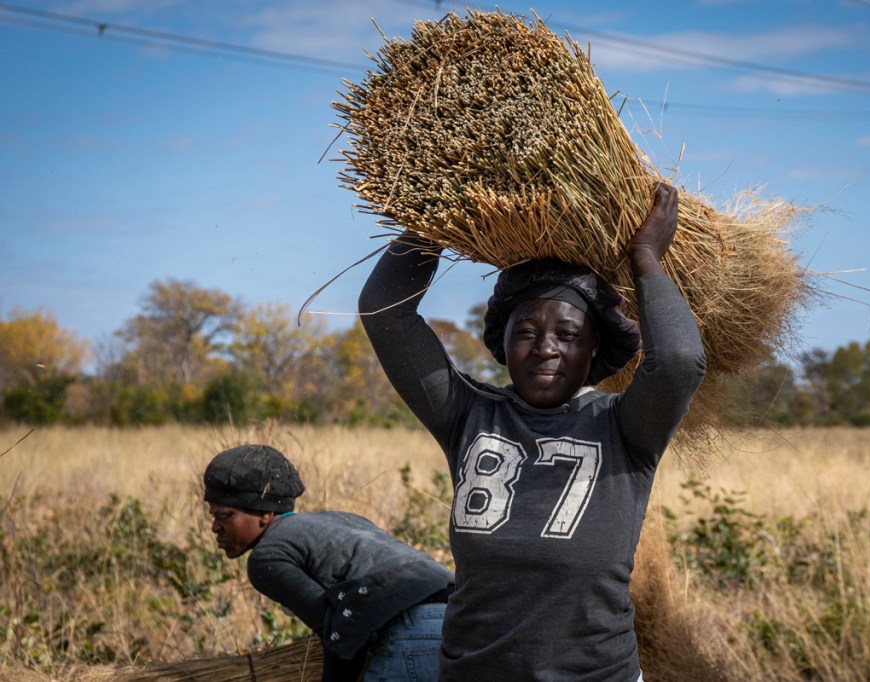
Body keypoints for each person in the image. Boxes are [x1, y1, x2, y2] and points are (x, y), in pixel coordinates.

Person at [358, 182, 706, 681]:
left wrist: (646, 256)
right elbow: (385, 312)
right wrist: (433, 220)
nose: (545, 348)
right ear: (502, 341)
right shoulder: (468, 414)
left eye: (568, 335)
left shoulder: (624, 427)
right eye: (526, 332)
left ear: (593, 350)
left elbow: (677, 361)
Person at [203, 443, 455, 682]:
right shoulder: (340, 519)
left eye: (225, 516)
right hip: (459, 619)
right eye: (214, 516)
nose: (215, 527)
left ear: (265, 513)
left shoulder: (267, 556)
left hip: (411, 630)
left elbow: (338, 633)